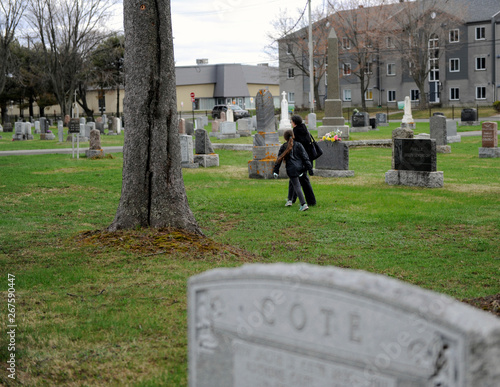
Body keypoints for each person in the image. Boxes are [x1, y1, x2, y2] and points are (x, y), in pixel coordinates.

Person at [273, 130, 311, 212]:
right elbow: (305, 157)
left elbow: (279, 160)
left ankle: (303, 204)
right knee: (292, 182)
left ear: (285, 138)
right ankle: (289, 200)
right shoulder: (299, 145)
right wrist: (309, 168)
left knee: (297, 186)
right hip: (300, 168)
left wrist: (276, 170)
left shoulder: (284, 147)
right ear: (293, 136)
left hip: (291, 169)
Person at [289, 115, 316, 206]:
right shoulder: (305, 129)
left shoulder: (296, 132)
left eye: (291, 121)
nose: (291, 123)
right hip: (307, 158)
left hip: (300, 159)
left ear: (294, 122)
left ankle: (310, 201)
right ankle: (292, 198)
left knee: (301, 180)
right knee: (297, 180)